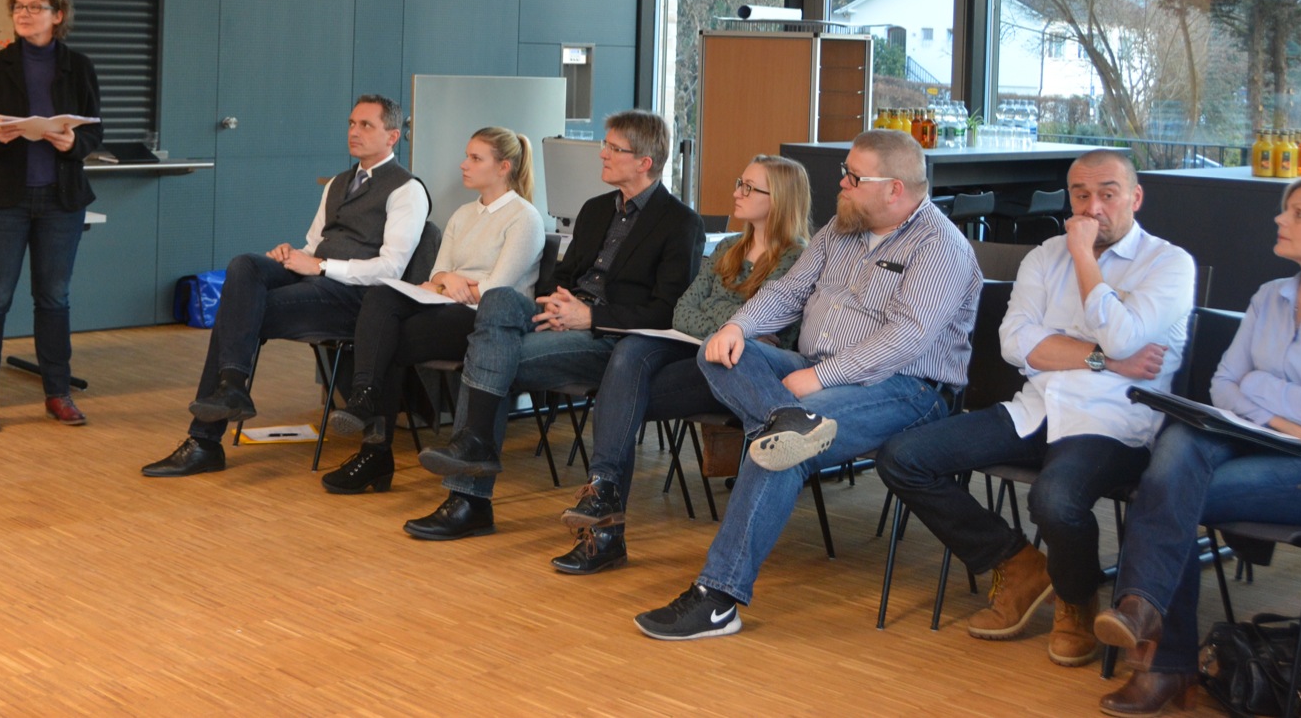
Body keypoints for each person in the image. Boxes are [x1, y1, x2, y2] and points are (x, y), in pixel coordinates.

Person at [632, 128, 981, 640]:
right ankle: (787, 418)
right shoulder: (842, 228)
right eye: (845, 172)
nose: (841, 183)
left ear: (895, 190)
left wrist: (818, 377)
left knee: (781, 451)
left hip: (908, 388)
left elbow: (904, 340)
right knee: (720, 354)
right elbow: (788, 291)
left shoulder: (941, 246)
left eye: (854, 177)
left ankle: (718, 599)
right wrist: (737, 327)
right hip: (813, 367)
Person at [1092, 177, 1301, 717]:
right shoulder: (1269, 296)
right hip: (1259, 443)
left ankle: (1156, 644)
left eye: (1297, 213)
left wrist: (1260, 390)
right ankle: (1149, 626)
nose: (1279, 220)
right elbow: (1222, 387)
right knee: (1183, 436)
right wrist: (1285, 419)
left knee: (1165, 495)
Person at [875, 149, 1195, 667]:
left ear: (1135, 197)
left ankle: (1076, 599)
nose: (1092, 208)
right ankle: (1019, 564)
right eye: (1081, 195)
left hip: (1113, 422)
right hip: (1036, 407)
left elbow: (1123, 334)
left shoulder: (1169, 263)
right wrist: (1105, 359)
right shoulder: (1045, 256)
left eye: (1108, 194)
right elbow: (1016, 343)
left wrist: (1084, 256)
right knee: (903, 457)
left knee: (1055, 499)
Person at [403, 109, 704, 541]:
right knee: (500, 300)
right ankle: (474, 459)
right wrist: (558, 302)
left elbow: (667, 311)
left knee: (488, 356)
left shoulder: (680, 223)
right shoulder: (595, 209)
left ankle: (469, 497)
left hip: (609, 338)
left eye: (613, 148)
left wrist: (589, 316)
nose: (602, 154)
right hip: (561, 317)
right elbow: (562, 277)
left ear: (644, 162)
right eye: (604, 145)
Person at [141, 94, 428, 477]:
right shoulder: (338, 183)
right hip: (317, 279)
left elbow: (391, 269)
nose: (354, 132)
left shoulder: (407, 190)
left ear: (392, 136)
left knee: (237, 311)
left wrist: (321, 266)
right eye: (351, 123)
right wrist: (292, 254)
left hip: (355, 298)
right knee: (245, 266)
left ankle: (206, 438)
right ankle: (231, 386)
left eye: (366, 125)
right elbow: (314, 244)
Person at [551, 153, 812, 575]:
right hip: (690, 350)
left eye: (749, 187)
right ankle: (603, 491)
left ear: (779, 199)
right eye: (739, 182)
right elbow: (681, 313)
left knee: (621, 398)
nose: (736, 192)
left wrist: (727, 327)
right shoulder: (728, 247)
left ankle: (603, 532)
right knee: (631, 350)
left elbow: (767, 329)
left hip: (737, 370)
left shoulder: (797, 260)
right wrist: (729, 325)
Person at [321, 126, 545, 494]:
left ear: (503, 167)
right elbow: (436, 274)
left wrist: (449, 283)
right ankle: (365, 396)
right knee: (381, 297)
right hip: (448, 306)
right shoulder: (463, 214)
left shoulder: (524, 218)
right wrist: (447, 281)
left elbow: (495, 290)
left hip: (490, 322)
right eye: (467, 156)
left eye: (475, 158)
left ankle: (375, 452)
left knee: (386, 340)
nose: (463, 164)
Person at [0, 0, 104, 430]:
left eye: (34, 7)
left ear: (57, 15)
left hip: (61, 201)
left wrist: (73, 144)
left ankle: (58, 394)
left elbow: (95, 130)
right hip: (3, 199)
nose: (24, 14)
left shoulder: (79, 66)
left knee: (54, 299)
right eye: (19, 7)